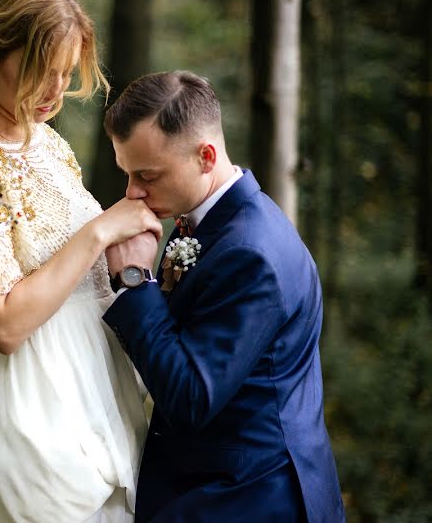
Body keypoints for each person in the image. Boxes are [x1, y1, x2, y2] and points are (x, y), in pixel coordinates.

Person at [0, 0, 155, 522]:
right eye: (40, 71)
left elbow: (90, 273)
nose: (56, 91)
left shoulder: (48, 143)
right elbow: (3, 326)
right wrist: (100, 229)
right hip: (42, 405)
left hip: (103, 382)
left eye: (66, 72)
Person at [101, 70, 345, 522]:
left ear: (205, 156)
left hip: (247, 497)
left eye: (147, 175)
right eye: (127, 173)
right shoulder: (208, 222)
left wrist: (135, 281)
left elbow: (192, 396)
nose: (132, 192)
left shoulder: (251, 254)